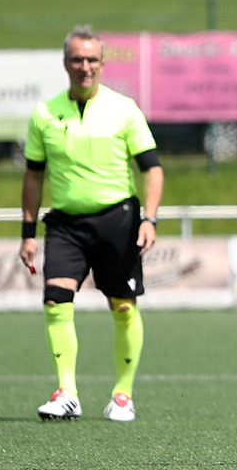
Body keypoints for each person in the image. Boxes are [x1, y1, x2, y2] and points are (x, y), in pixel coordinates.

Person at [19, 25, 164, 423]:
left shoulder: (124, 109)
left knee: (123, 306)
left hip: (118, 221)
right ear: (66, 63)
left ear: (102, 63)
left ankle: (123, 395)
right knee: (55, 300)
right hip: (66, 225)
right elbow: (33, 176)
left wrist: (150, 219)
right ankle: (67, 393)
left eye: (92, 60)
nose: (85, 67)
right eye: (77, 60)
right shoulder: (44, 112)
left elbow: (152, 169)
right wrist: (28, 234)